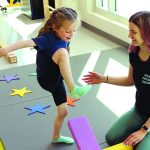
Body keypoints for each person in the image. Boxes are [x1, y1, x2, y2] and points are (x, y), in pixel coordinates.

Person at [0, 7, 91, 144]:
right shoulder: (45, 39)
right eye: (68, 31)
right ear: (55, 27)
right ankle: (73, 88)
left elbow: (64, 45)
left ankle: (56, 137)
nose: (71, 34)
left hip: (57, 79)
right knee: (62, 52)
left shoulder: (64, 36)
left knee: (63, 111)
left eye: (74, 30)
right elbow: (24, 43)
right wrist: (5, 50)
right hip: (46, 78)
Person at [82, 11, 150, 150]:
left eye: (133, 32)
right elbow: (130, 80)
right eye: (129, 30)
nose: (129, 35)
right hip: (140, 110)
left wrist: (144, 130)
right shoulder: (134, 52)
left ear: (146, 32)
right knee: (112, 138)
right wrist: (104, 79)